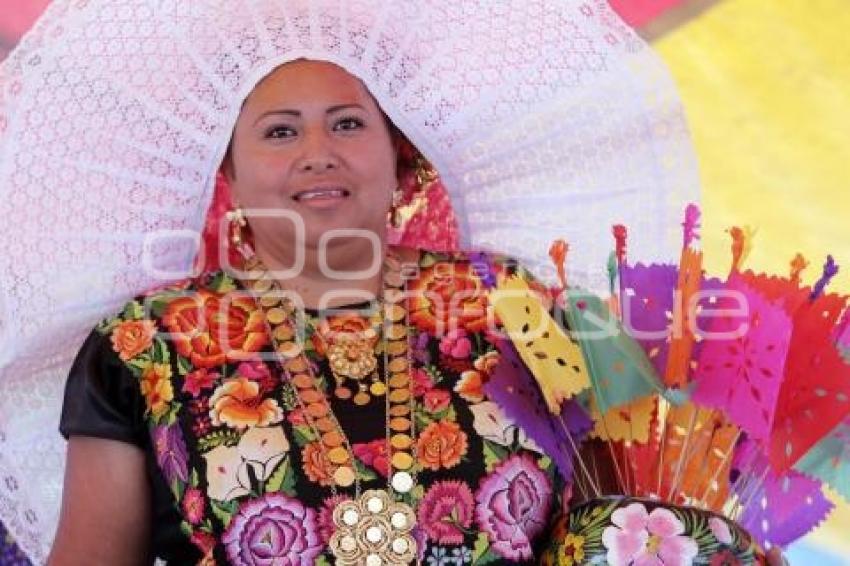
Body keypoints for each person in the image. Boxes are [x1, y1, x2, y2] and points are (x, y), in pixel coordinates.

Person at [0, 1, 705, 564]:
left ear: (402, 158)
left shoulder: (511, 304)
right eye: (280, 132)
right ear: (229, 175)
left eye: (346, 123)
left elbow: (622, 519)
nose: (318, 154)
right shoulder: (145, 345)